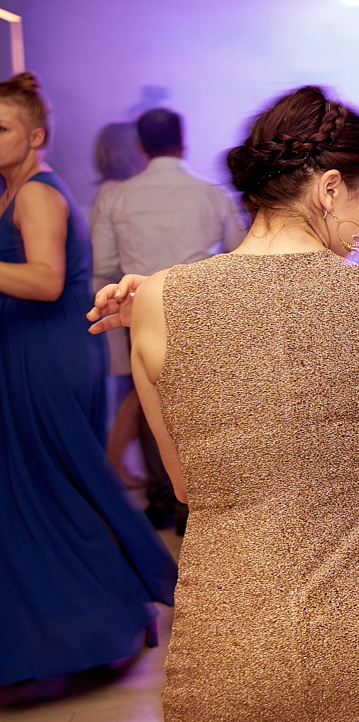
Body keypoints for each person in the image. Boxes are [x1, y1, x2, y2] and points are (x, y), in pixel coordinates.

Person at [89, 85, 359, 722]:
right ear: (331, 188)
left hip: (221, 666)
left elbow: (190, 485)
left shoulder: (157, 299)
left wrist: (159, 305)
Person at [0, 73, 177, 686]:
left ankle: (118, 609)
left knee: (62, 483)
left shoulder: (35, 193)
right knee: (50, 488)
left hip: (45, 352)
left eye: (1, 128)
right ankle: (96, 616)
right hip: (33, 348)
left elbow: (46, 280)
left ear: (35, 136)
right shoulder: (16, 189)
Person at [93, 107, 247, 531]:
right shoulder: (210, 193)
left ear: (140, 145)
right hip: (202, 307)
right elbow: (237, 251)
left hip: (140, 307)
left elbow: (104, 264)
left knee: (150, 405)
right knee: (205, 404)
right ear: (183, 142)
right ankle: (195, 504)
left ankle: (162, 499)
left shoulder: (116, 196)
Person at [89, 121, 148, 483]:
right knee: (136, 390)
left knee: (132, 389)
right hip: (115, 297)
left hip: (111, 293)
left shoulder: (108, 191)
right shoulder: (120, 193)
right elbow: (106, 259)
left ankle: (116, 462)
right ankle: (113, 463)